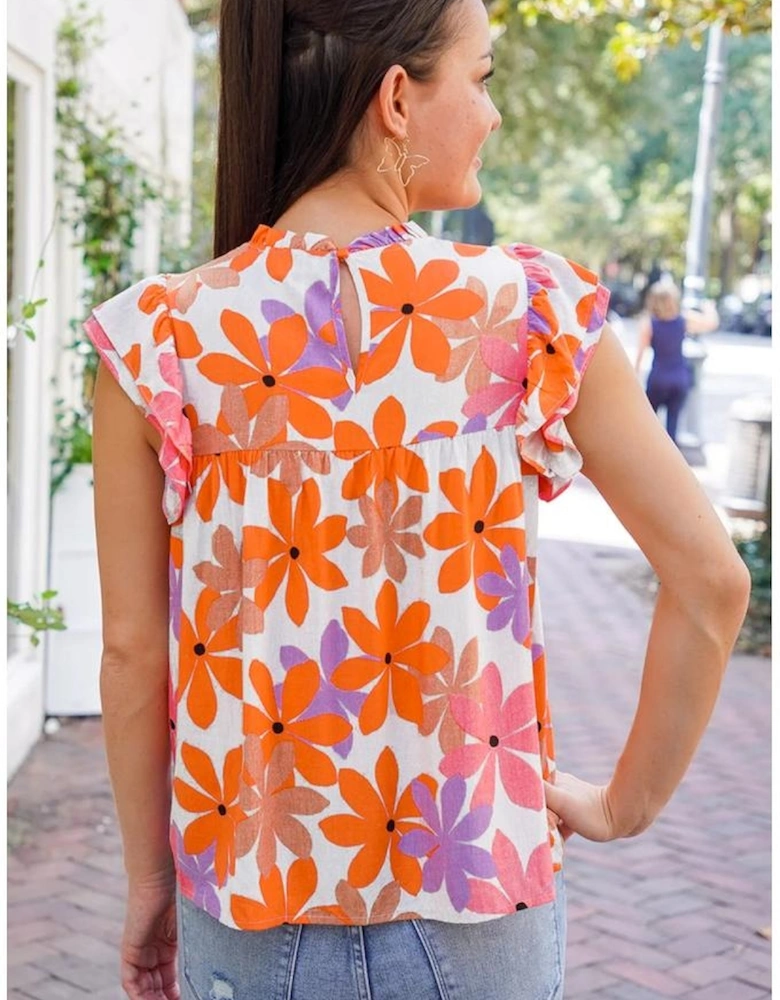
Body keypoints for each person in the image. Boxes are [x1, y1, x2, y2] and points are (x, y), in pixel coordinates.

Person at [84, 1, 751, 998]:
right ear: (397, 98)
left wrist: (148, 881)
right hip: (480, 906)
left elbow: (134, 653)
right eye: (483, 78)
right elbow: (710, 582)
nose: (493, 114)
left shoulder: (159, 340)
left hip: (249, 904)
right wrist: (624, 805)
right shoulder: (532, 312)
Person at [635, 281, 719, 445]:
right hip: (679, 378)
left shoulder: (649, 324)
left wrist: (634, 378)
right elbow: (712, 323)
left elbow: (639, 356)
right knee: (672, 427)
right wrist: (710, 308)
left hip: (658, 379)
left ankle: (648, 454)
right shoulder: (684, 320)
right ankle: (670, 457)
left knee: (649, 424)